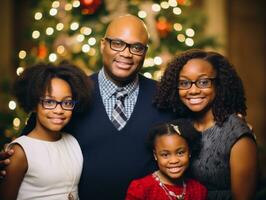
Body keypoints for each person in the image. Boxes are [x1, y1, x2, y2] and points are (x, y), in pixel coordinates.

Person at [0, 14, 175, 199]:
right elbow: (33, 138)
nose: (126, 53)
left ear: (145, 52)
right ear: (102, 45)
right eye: (117, 43)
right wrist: (8, 161)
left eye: (137, 47)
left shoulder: (163, 96)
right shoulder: (72, 93)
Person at [154, 49, 258, 200]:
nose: (193, 90)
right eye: (184, 83)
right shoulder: (178, 125)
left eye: (203, 82)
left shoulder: (237, 134)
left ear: (219, 84)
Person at [0, 63, 91, 200]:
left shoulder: (73, 142)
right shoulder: (20, 152)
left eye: (66, 103)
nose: (59, 110)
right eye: (49, 102)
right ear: (34, 104)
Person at [126, 119, 207, 200]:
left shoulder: (199, 190)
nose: (174, 160)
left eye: (180, 153)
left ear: (189, 152)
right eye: (165, 155)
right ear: (155, 155)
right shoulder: (141, 189)